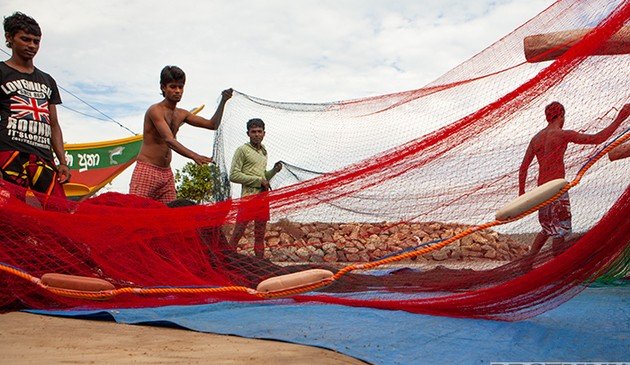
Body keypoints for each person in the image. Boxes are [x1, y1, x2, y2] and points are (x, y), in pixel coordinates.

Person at [519, 101, 629, 262]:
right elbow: (597, 139)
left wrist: (522, 193)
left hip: (540, 189)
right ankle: (558, 265)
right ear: (561, 115)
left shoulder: (536, 139)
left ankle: (527, 262)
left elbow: (523, 168)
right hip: (556, 188)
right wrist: (619, 119)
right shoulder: (562, 134)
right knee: (560, 230)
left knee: (546, 228)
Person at [129, 65, 232, 204]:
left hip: (166, 173)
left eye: (180, 87)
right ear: (163, 87)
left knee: (169, 217)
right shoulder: (155, 110)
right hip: (147, 170)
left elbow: (212, 125)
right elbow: (169, 140)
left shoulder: (181, 113)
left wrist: (224, 101)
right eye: (173, 87)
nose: (177, 91)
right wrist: (195, 156)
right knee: (136, 213)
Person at [0, 12, 70, 206]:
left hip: (42, 157)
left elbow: (54, 124)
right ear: (9, 38)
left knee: (59, 209)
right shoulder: (1, 72)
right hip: (8, 154)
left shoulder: (47, 80)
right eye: (25, 39)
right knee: (10, 211)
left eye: (36, 41)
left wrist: (62, 162)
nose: (31, 45)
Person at [229, 118, 282, 259]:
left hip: (263, 198)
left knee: (260, 234)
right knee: (238, 232)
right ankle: (226, 260)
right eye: (253, 132)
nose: (257, 134)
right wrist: (258, 181)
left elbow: (264, 176)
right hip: (248, 198)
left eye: (259, 131)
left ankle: (260, 264)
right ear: (248, 133)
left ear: (264, 133)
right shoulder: (242, 150)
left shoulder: (263, 152)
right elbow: (233, 175)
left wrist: (274, 171)